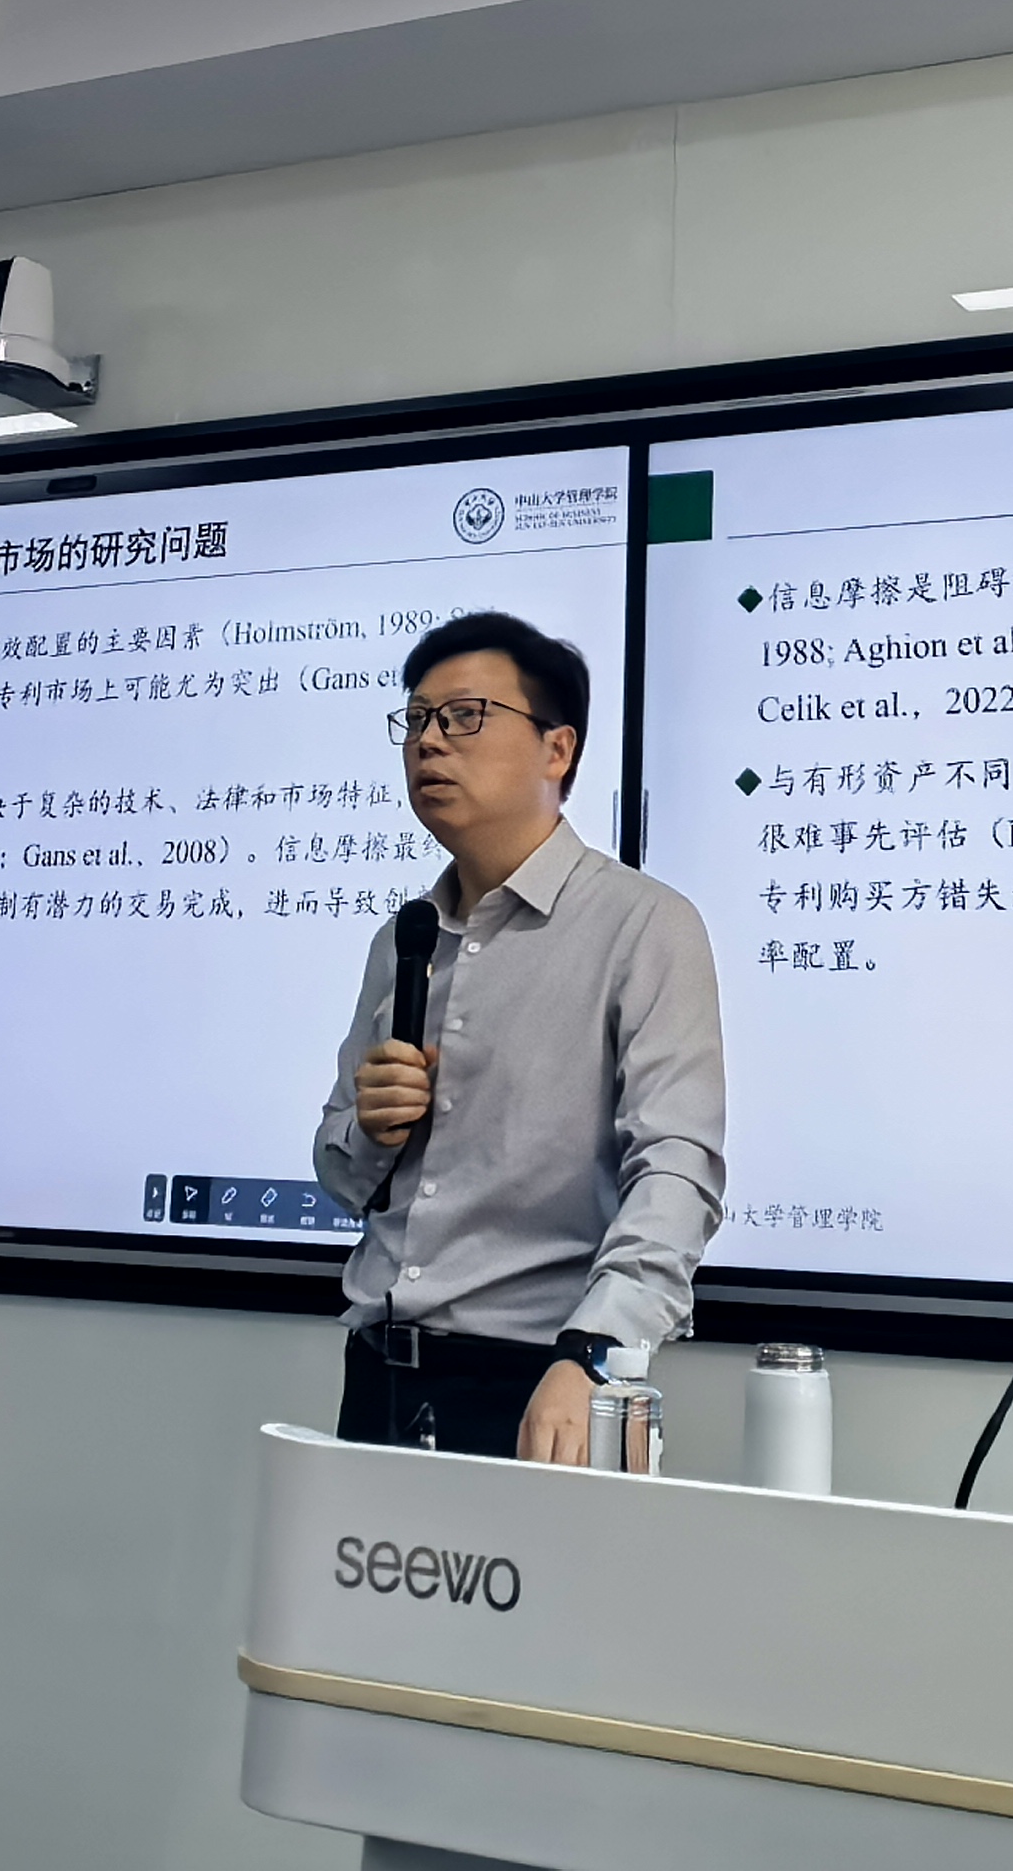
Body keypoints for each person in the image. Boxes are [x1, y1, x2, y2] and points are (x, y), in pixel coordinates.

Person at [316, 611, 725, 1460]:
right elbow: (343, 1178)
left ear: (557, 749)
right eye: (416, 719)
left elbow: (677, 1169)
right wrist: (372, 1130)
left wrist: (595, 1354)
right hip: (381, 1379)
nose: (430, 742)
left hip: (547, 1384)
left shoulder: (643, 925)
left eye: (465, 716)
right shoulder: (404, 939)